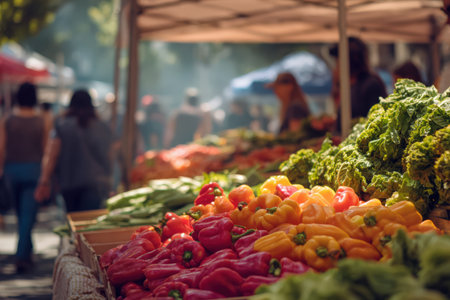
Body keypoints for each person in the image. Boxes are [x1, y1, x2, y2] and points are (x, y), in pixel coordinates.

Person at [34, 89, 115, 212]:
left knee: (73, 218)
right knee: (88, 220)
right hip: (96, 182)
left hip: (69, 183)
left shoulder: (61, 125)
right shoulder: (102, 126)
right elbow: (111, 155)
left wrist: (44, 180)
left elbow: (52, 155)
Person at [0, 82, 49, 273]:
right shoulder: (42, 120)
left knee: (22, 215)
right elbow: (46, 150)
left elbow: (1, 148)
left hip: (12, 172)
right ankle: (22, 255)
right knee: (27, 215)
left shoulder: (7, 119)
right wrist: (47, 176)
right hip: (34, 171)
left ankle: (25, 252)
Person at [330, 37, 387, 132]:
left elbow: (375, 123)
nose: (337, 67)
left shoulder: (370, 85)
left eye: (338, 61)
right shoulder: (348, 87)